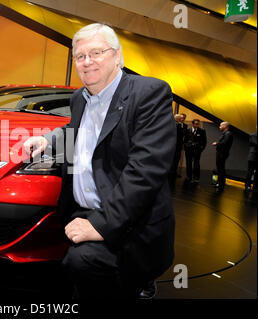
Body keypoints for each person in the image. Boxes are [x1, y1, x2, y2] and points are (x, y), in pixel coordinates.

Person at [23, 23, 176, 299]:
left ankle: (138, 282)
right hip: (85, 210)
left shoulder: (149, 93)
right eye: (80, 56)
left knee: (81, 264)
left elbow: (145, 171)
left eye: (96, 52)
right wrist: (49, 139)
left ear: (117, 56)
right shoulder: (79, 99)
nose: (87, 61)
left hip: (129, 222)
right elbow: (77, 129)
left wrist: (101, 224)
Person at [211, 122, 233, 192]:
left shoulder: (228, 134)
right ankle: (219, 183)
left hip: (222, 153)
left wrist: (216, 143)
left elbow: (224, 143)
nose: (219, 127)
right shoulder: (225, 133)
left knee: (221, 169)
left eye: (220, 125)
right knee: (220, 168)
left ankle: (221, 184)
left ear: (225, 126)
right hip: (221, 153)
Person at [183, 119, 206, 183]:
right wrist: (186, 147)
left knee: (196, 164)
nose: (197, 125)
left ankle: (196, 177)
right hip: (188, 150)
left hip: (197, 150)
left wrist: (201, 149)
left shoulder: (202, 131)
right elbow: (185, 140)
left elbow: (204, 141)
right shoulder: (188, 130)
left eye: (198, 124)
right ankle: (188, 176)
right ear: (192, 124)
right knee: (188, 163)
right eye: (196, 124)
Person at [170, 114, 188, 178]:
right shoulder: (173, 124)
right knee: (171, 158)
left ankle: (174, 171)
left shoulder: (185, 125)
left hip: (179, 144)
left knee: (177, 158)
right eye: (181, 118)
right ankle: (169, 171)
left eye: (183, 118)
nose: (182, 119)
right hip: (172, 144)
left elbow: (185, 134)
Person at [245, 131, 257, 197]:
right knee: (250, 171)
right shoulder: (253, 135)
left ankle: (255, 187)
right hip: (253, 156)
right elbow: (256, 144)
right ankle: (247, 186)